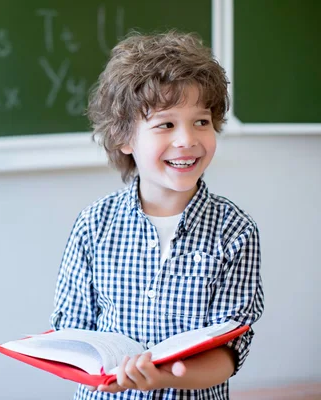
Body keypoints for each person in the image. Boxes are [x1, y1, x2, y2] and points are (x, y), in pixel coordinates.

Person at [49, 30, 264, 400]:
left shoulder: (235, 231)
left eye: (201, 121)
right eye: (166, 124)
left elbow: (229, 351)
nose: (187, 139)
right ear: (124, 138)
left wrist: (164, 377)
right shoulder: (93, 226)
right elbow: (73, 335)